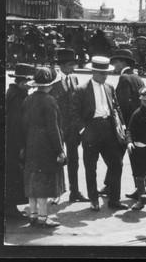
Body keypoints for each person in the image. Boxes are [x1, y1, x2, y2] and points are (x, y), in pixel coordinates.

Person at [70, 56, 128, 211]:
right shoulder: (81, 90)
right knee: (91, 166)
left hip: (108, 128)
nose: (105, 76)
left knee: (117, 163)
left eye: (107, 73)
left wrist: (122, 126)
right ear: (94, 72)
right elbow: (74, 113)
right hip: (91, 129)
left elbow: (116, 109)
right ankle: (93, 199)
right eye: (102, 73)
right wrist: (83, 130)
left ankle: (114, 200)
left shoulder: (109, 87)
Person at [22, 67, 66, 229]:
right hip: (46, 144)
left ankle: (33, 215)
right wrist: (60, 150)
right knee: (44, 181)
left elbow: (24, 123)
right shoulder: (49, 101)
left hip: (30, 141)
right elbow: (53, 128)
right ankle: (43, 218)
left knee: (33, 178)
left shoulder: (28, 99)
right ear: (50, 85)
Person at [103, 49, 145, 201]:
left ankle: (111, 185)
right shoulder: (137, 78)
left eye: (116, 62)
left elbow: (121, 105)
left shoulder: (124, 79)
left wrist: (119, 124)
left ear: (123, 62)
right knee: (135, 158)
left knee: (116, 155)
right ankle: (138, 188)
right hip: (138, 123)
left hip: (127, 125)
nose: (114, 65)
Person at [49, 49, 89, 203]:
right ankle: (55, 193)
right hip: (57, 128)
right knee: (56, 160)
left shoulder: (74, 78)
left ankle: (75, 191)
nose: (73, 68)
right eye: (71, 65)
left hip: (72, 128)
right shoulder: (53, 81)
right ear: (63, 65)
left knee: (74, 160)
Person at [5, 63, 36, 219]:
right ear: (23, 82)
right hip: (15, 143)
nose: (30, 87)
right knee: (14, 175)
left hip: (11, 142)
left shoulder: (13, 93)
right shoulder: (18, 97)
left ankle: (10, 206)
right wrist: (21, 146)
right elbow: (16, 125)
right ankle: (10, 208)